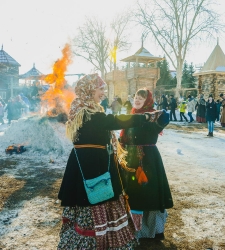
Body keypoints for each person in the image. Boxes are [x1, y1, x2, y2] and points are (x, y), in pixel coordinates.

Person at [57, 74, 161, 249]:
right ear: (89, 90)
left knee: (93, 198)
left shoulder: (83, 109)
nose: (103, 93)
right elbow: (113, 121)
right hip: (92, 167)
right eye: (101, 89)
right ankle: (93, 243)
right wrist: (145, 117)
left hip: (89, 163)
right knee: (95, 199)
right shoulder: (87, 113)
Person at [120, 88, 173, 241]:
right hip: (130, 159)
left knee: (149, 194)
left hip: (148, 160)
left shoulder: (152, 115)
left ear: (147, 101)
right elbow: (125, 138)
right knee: (134, 195)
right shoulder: (131, 115)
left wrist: (160, 119)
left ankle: (153, 229)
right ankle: (135, 229)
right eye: (136, 96)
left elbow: (160, 124)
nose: (137, 100)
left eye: (141, 98)